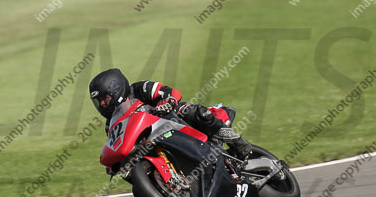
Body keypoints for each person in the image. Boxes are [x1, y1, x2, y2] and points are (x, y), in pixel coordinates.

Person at [89, 68, 254, 159]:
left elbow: (170, 92)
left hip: (173, 121)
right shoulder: (110, 126)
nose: (102, 104)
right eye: (99, 101)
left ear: (117, 89)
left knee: (193, 112)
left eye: (105, 98)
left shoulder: (138, 90)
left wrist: (167, 103)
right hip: (154, 145)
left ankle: (238, 143)